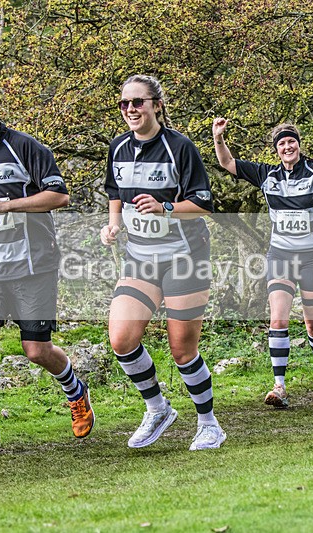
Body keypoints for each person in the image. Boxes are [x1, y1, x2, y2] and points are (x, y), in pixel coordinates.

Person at [0, 87, 94, 456]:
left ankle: (76, 391)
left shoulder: (26, 147)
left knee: (35, 349)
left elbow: (59, 197)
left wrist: (7, 205)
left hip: (33, 265)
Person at [100, 75, 225, 450]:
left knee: (182, 349)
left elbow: (205, 202)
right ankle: (158, 409)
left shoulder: (179, 147)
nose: (131, 110)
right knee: (121, 338)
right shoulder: (118, 147)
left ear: (156, 104)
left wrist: (166, 208)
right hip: (140, 257)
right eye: (124, 104)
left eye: (138, 102)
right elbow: (114, 193)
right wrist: (114, 223)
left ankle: (208, 423)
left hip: (185, 256)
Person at [212, 118, 313, 407]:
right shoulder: (267, 175)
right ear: (276, 150)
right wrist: (219, 138)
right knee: (277, 319)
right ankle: (279, 386)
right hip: (280, 255)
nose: (287, 146)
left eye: (291, 141)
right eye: (281, 143)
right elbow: (228, 163)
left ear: (299, 144)